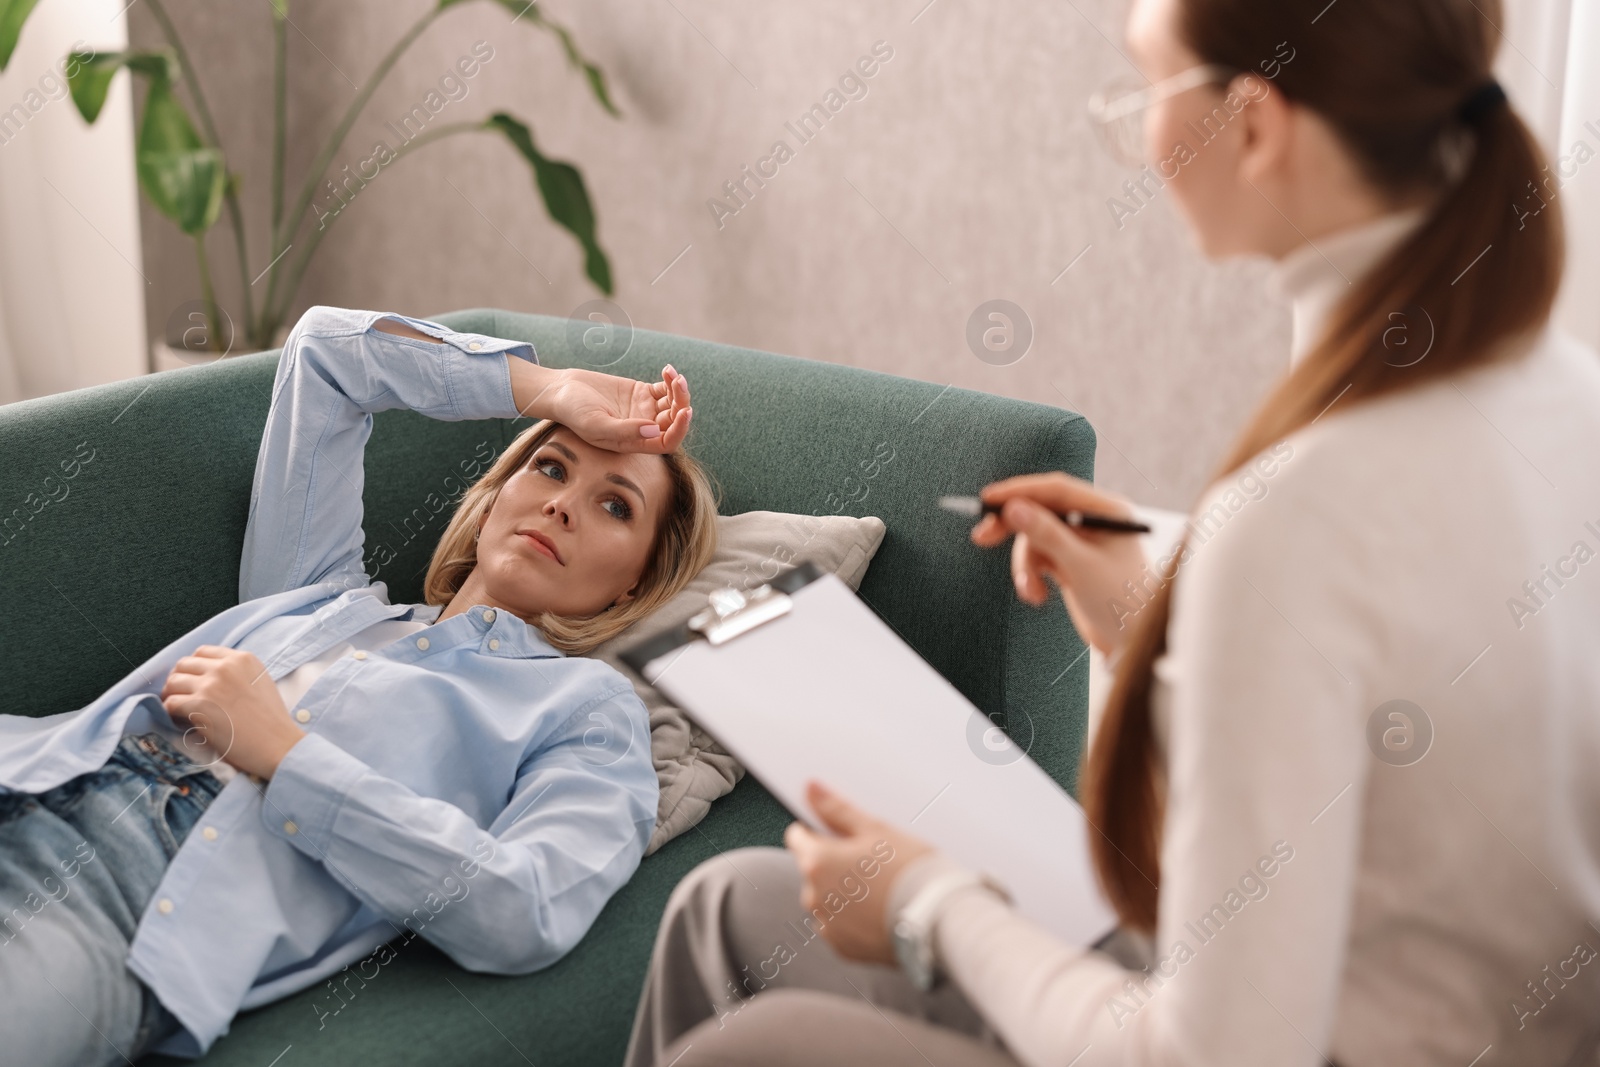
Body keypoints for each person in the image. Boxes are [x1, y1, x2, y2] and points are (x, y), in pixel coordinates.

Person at [622, 0, 1600, 1064]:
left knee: (748, 1046)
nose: (1134, 134)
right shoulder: (1562, 399)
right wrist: (1143, 624)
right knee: (728, 907)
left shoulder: (1296, 518)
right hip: (1357, 992)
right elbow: (1382, 789)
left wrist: (929, 901)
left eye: (1141, 92)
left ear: (1256, 124)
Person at [0, 304, 719, 1065]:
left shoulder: (587, 712)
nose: (563, 503)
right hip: (37, 775)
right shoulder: (324, 593)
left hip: (127, 902)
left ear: (633, 583)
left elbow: (525, 905)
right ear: (495, 496)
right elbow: (326, 356)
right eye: (550, 465)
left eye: (615, 505)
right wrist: (550, 389)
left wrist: (286, 751)